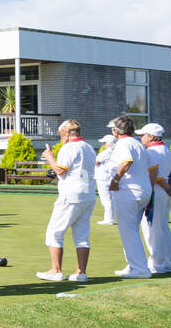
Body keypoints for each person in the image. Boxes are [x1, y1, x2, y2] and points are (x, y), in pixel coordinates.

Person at [37, 119, 97, 283]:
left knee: (54, 232)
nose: (60, 137)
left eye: (61, 134)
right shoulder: (89, 148)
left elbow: (59, 170)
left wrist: (49, 157)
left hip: (71, 195)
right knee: (82, 234)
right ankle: (81, 272)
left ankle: (56, 270)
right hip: (88, 194)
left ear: (67, 132)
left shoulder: (69, 148)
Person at [107, 115, 152, 279]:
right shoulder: (136, 143)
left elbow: (127, 162)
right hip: (141, 190)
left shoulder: (123, 143)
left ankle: (140, 269)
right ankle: (134, 265)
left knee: (128, 230)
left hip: (129, 190)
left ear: (115, 130)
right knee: (131, 229)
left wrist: (115, 180)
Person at [137, 123, 171, 274]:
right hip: (164, 192)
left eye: (143, 135)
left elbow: (156, 175)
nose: (141, 137)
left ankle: (157, 264)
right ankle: (169, 263)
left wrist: (168, 188)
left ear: (151, 136)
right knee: (162, 227)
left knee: (151, 228)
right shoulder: (167, 151)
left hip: (155, 192)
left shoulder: (151, 152)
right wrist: (170, 188)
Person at [95, 134, 116, 225]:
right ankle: (110, 218)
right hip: (109, 177)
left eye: (104, 143)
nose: (103, 144)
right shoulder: (116, 152)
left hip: (103, 178)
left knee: (106, 199)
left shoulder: (106, 152)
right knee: (110, 199)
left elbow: (96, 162)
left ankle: (109, 219)